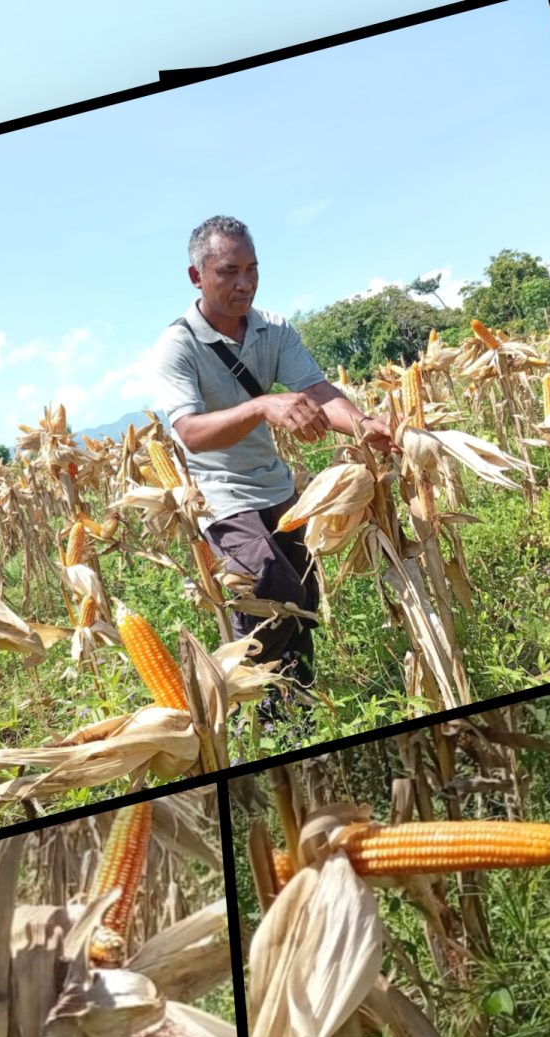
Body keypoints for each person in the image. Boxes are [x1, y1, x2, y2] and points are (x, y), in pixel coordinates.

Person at [149, 215, 394, 716]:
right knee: (265, 586)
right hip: (220, 493)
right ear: (197, 276)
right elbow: (189, 432)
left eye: (253, 269)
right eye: (229, 271)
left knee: (301, 594)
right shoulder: (178, 345)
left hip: (274, 484)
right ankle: (256, 716)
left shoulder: (274, 329)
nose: (245, 283)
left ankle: (297, 709)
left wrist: (365, 425)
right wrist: (263, 407)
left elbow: (318, 392)